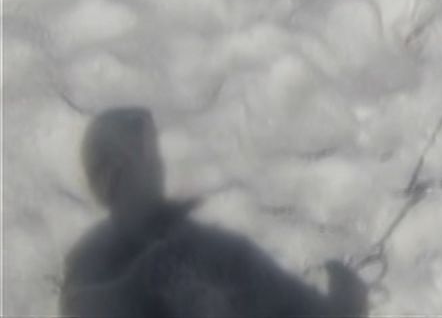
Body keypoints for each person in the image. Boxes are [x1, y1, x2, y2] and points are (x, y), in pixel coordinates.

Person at [61, 108, 367, 317]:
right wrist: (142, 283)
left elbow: (286, 300)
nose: (156, 169)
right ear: (110, 176)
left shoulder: (206, 246)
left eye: (154, 157)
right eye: (143, 159)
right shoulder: (92, 261)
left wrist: (341, 307)